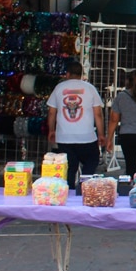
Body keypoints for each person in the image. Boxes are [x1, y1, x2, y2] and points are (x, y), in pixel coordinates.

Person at [47, 61, 105, 189]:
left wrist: (51, 130)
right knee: (91, 161)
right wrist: (101, 134)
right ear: (81, 74)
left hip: (64, 137)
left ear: (67, 74)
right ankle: (85, 187)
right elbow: (98, 114)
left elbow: (52, 112)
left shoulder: (59, 88)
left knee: (69, 168)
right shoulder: (90, 88)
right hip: (87, 137)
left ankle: (68, 193)